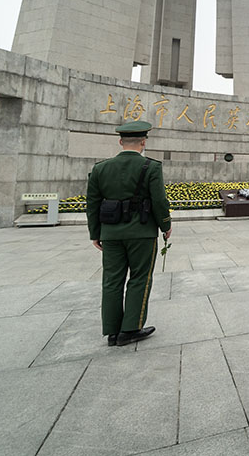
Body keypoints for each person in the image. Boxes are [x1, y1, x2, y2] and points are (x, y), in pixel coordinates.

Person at [86, 121, 172, 347]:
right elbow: (159, 201)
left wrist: (95, 233)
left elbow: (92, 204)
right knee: (139, 278)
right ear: (143, 142)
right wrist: (166, 225)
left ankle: (112, 331)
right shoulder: (151, 167)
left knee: (112, 280)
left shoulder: (100, 168)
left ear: (120, 141)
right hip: (142, 233)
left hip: (111, 234)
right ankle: (131, 328)